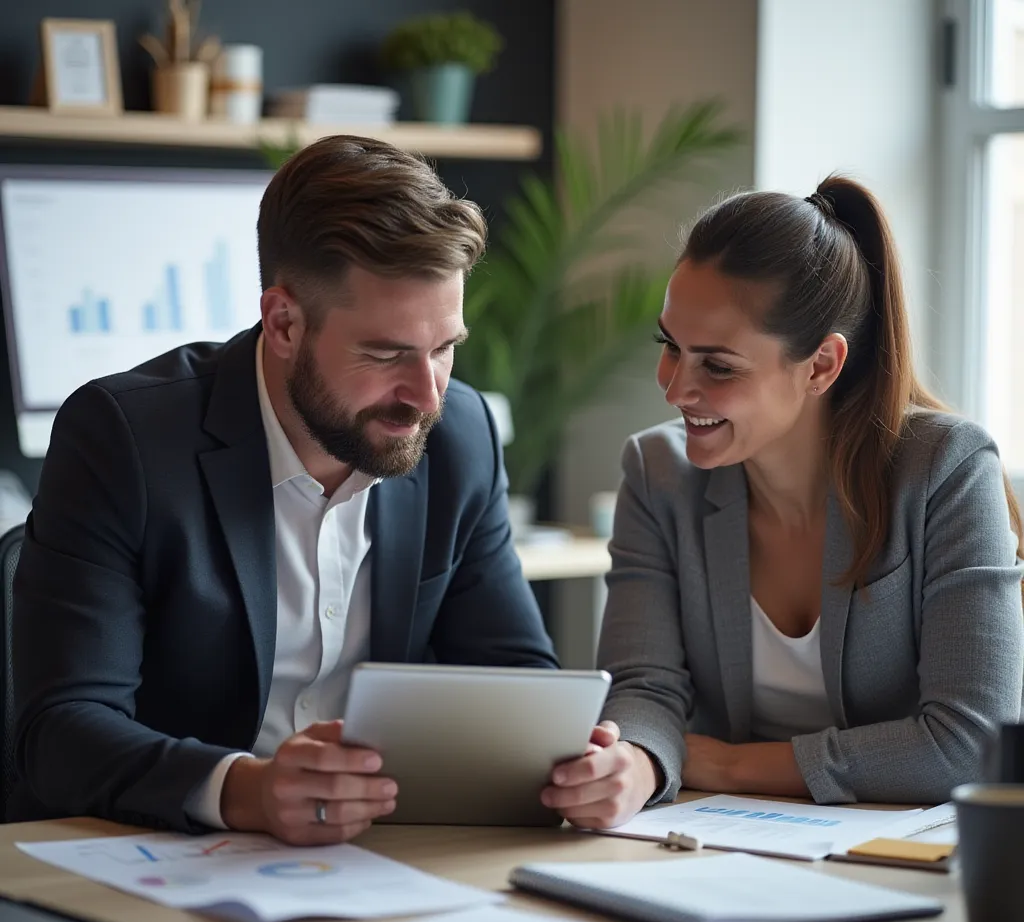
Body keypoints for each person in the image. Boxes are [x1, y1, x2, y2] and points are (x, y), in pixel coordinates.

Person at [11, 135, 558, 843]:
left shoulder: (461, 438)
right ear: (284, 323)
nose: (426, 395)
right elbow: (59, 732)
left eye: (445, 347)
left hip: (378, 856)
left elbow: (515, 682)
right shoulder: (125, 438)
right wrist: (246, 790)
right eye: (387, 354)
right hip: (164, 852)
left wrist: (575, 762)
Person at [542, 175, 1024, 828]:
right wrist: (636, 763)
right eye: (670, 348)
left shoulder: (945, 468)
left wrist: (733, 765)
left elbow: (973, 743)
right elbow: (645, 689)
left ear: (821, 365)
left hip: (915, 858)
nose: (675, 388)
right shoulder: (658, 473)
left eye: (718, 366)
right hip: (714, 842)